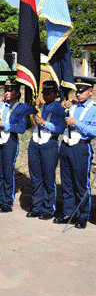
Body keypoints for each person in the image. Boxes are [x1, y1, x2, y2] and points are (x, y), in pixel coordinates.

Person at [56, 77, 96, 229]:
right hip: (66, 145)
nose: (78, 94)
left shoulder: (93, 109)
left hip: (81, 147)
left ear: (91, 92)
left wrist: (76, 123)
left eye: (82, 92)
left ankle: (83, 215)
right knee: (67, 182)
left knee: (81, 183)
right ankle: (68, 213)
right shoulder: (72, 105)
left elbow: (94, 131)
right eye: (77, 92)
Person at [0, 80, 33, 213]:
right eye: (6, 90)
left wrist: (4, 125)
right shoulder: (0, 105)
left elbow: (21, 129)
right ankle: (0, 200)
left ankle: (7, 201)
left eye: (10, 90)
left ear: (17, 93)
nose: (7, 93)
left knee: (8, 171)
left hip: (10, 140)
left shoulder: (21, 108)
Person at [27, 81, 66, 220]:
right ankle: (37, 206)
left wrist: (45, 123)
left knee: (48, 177)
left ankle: (49, 208)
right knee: (36, 177)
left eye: (49, 93)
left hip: (49, 142)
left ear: (56, 94)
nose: (46, 95)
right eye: (44, 93)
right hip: (35, 142)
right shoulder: (40, 107)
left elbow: (61, 129)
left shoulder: (60, 109)